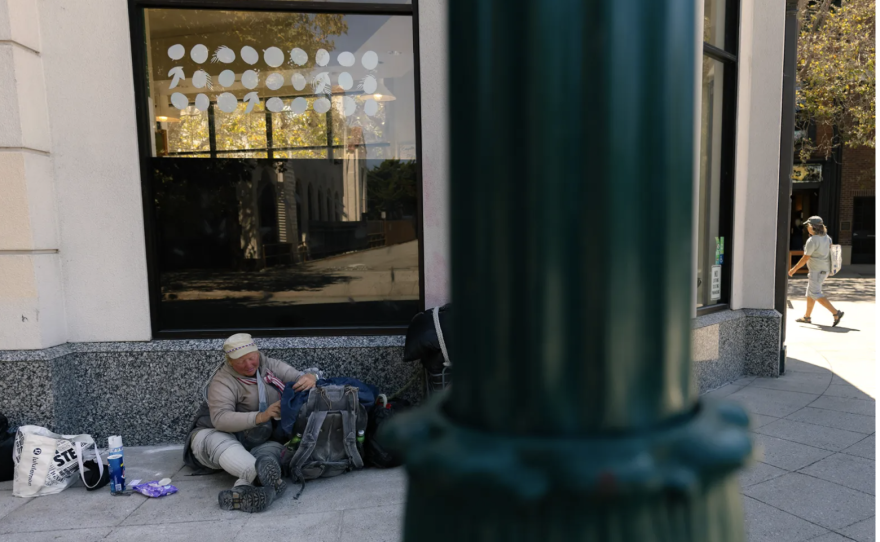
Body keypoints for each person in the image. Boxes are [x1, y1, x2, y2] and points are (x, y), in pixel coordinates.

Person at [183, 333, 317, 513]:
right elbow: (220, 419)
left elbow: (297, 377)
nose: (249, 365)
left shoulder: (269, 365)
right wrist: (261, 416)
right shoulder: (222, 380)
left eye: (251, 358)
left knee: (273, 452)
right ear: (229, 361)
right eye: (240, 361)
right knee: (224, 443)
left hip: (259, 438)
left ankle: (241, 492)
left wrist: (310, 376)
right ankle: (260, 476)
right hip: (213, 435)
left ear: (257, 353)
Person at [789, 216, 844, 327]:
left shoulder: (812, 240)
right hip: (823, 270)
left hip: (817, 271)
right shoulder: (827, 237)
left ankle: (835, 313)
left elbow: (805, 258)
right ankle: (807, 317)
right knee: (811, 293)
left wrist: (793, 269)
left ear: (813, 227)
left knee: (815, 293)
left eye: (808, 225)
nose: (807, 227)